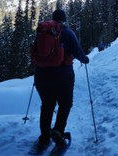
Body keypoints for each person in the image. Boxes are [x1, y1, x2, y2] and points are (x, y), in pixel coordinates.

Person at [34, 9, 89, 149]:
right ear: (63, 20)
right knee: (65, 104)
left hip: (41, 76)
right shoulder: (68, 32)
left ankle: (44, 137)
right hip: (63, 75)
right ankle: (58, 131)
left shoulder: (43, 32)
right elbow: (77, 51)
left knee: (47, 105)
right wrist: (85, 59)